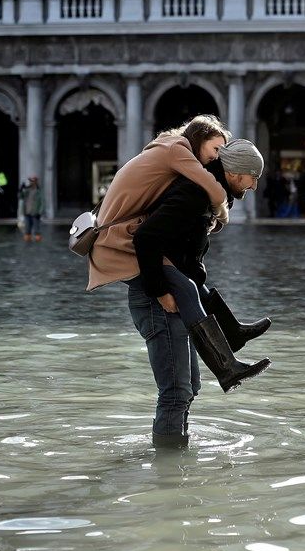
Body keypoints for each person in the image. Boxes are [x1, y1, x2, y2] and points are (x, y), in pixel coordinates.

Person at [86, 117, 270, 449]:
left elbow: (188, 262)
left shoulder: (201, 193)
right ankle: (168, 469)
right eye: (253, 177)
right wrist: (159, 292)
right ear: (236, 173)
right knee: (176, 391)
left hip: (168, 292)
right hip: (156, 298)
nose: (254, 186)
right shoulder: (193, 189)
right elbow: (146, 239)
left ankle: (177, 464)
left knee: (190, 387)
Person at [19, 176, 44, 242]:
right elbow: (20, 197)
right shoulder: (27, 190)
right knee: (27, 230)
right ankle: (28, 244)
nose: (31, 182)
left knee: (36, 230)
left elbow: (42, 202)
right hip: (27, 213)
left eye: (33, 181)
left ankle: (38, 244)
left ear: (36, 182)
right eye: (31, 181)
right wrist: (21, 190)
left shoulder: (39, 191)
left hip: (35, 213)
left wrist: (40, 212)